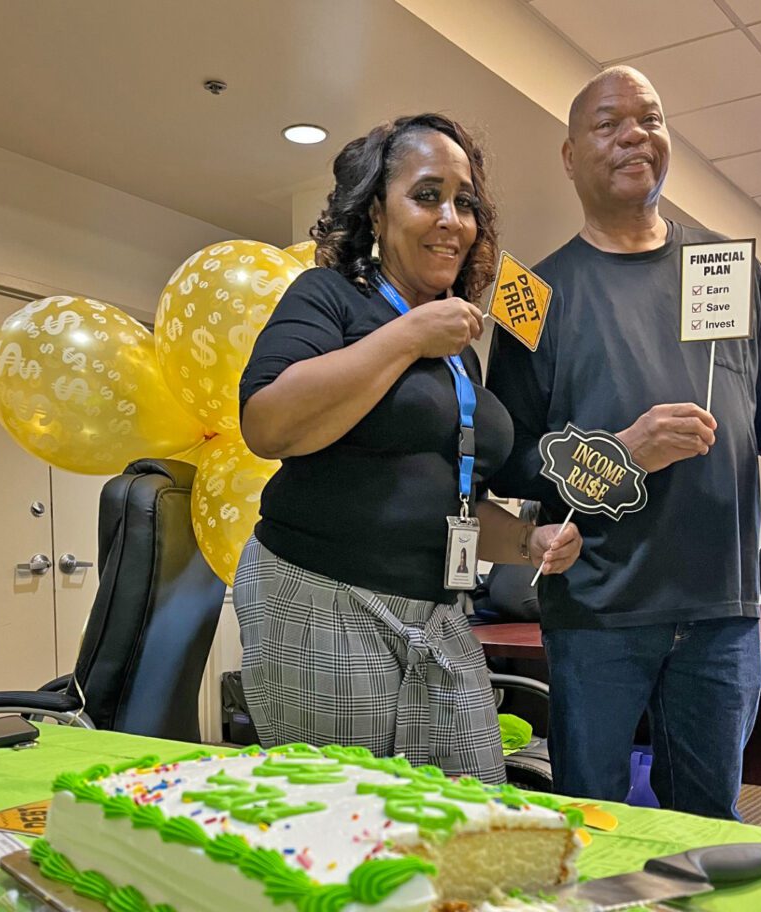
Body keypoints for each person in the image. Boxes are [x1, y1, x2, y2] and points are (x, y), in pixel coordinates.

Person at [486, 67, 761, 817]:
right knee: (592, 818)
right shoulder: (527, 295)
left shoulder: (729, 268)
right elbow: (510, 458)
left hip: (720, 607)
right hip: (595, 611)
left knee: (709, 821)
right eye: (608, 123)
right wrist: (619, 450)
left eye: (651, 119)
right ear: (568, 156)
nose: (634, 135)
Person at [233, 113, 581, 784]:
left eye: (466, 201)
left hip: (438, 609)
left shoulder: (460, 357)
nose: (452, 218)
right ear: (375, 212)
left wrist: (528, 544)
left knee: (476, 808)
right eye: (427, 195)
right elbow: (268, 423)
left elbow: (454, 502)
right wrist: (408, 335)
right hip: (322, 599)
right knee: (347, 828)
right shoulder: (330, 297)